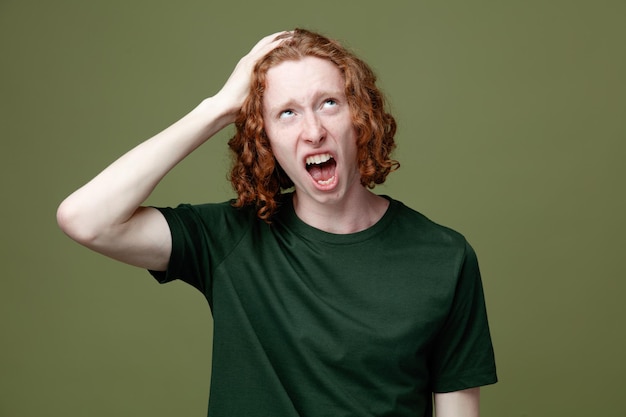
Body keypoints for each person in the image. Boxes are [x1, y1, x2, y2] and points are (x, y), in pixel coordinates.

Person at [57, 28, 497, 417]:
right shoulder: (228, 239)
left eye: (329, 104)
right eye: (287, 112)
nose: (313, 130)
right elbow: (86, 218)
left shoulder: (444, 256)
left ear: (360, 118)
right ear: (264, 139)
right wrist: (217, 108)